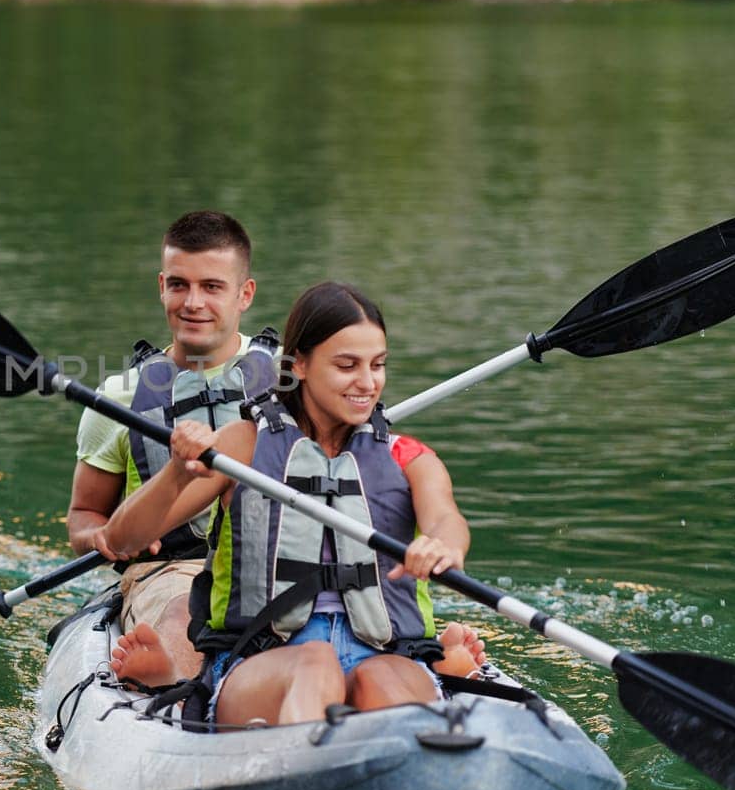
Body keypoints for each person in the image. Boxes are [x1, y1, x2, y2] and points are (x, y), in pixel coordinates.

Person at [92, 281, 483, 727]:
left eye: (378, 365)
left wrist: (444, 547)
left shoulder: (409, 458)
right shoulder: (245, 446)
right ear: (299, 365)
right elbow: (123, 538)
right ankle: (300, 762)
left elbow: (446, 519)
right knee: (314, 664)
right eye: (346, 365)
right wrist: (178, 472)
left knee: (383, 681)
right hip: (265, 661)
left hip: (385, 651)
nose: (368, 382)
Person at [67, 211, 279, 681]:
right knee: (187, 613)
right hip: (168, 571)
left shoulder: (295, 382)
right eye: (179, 285)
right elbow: (83, 517)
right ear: (161, 286)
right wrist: (100, 539)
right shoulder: (119, 398)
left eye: (212, 287)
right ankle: (174, 693)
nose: (193, 303)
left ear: (245, 294)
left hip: (276, 562)